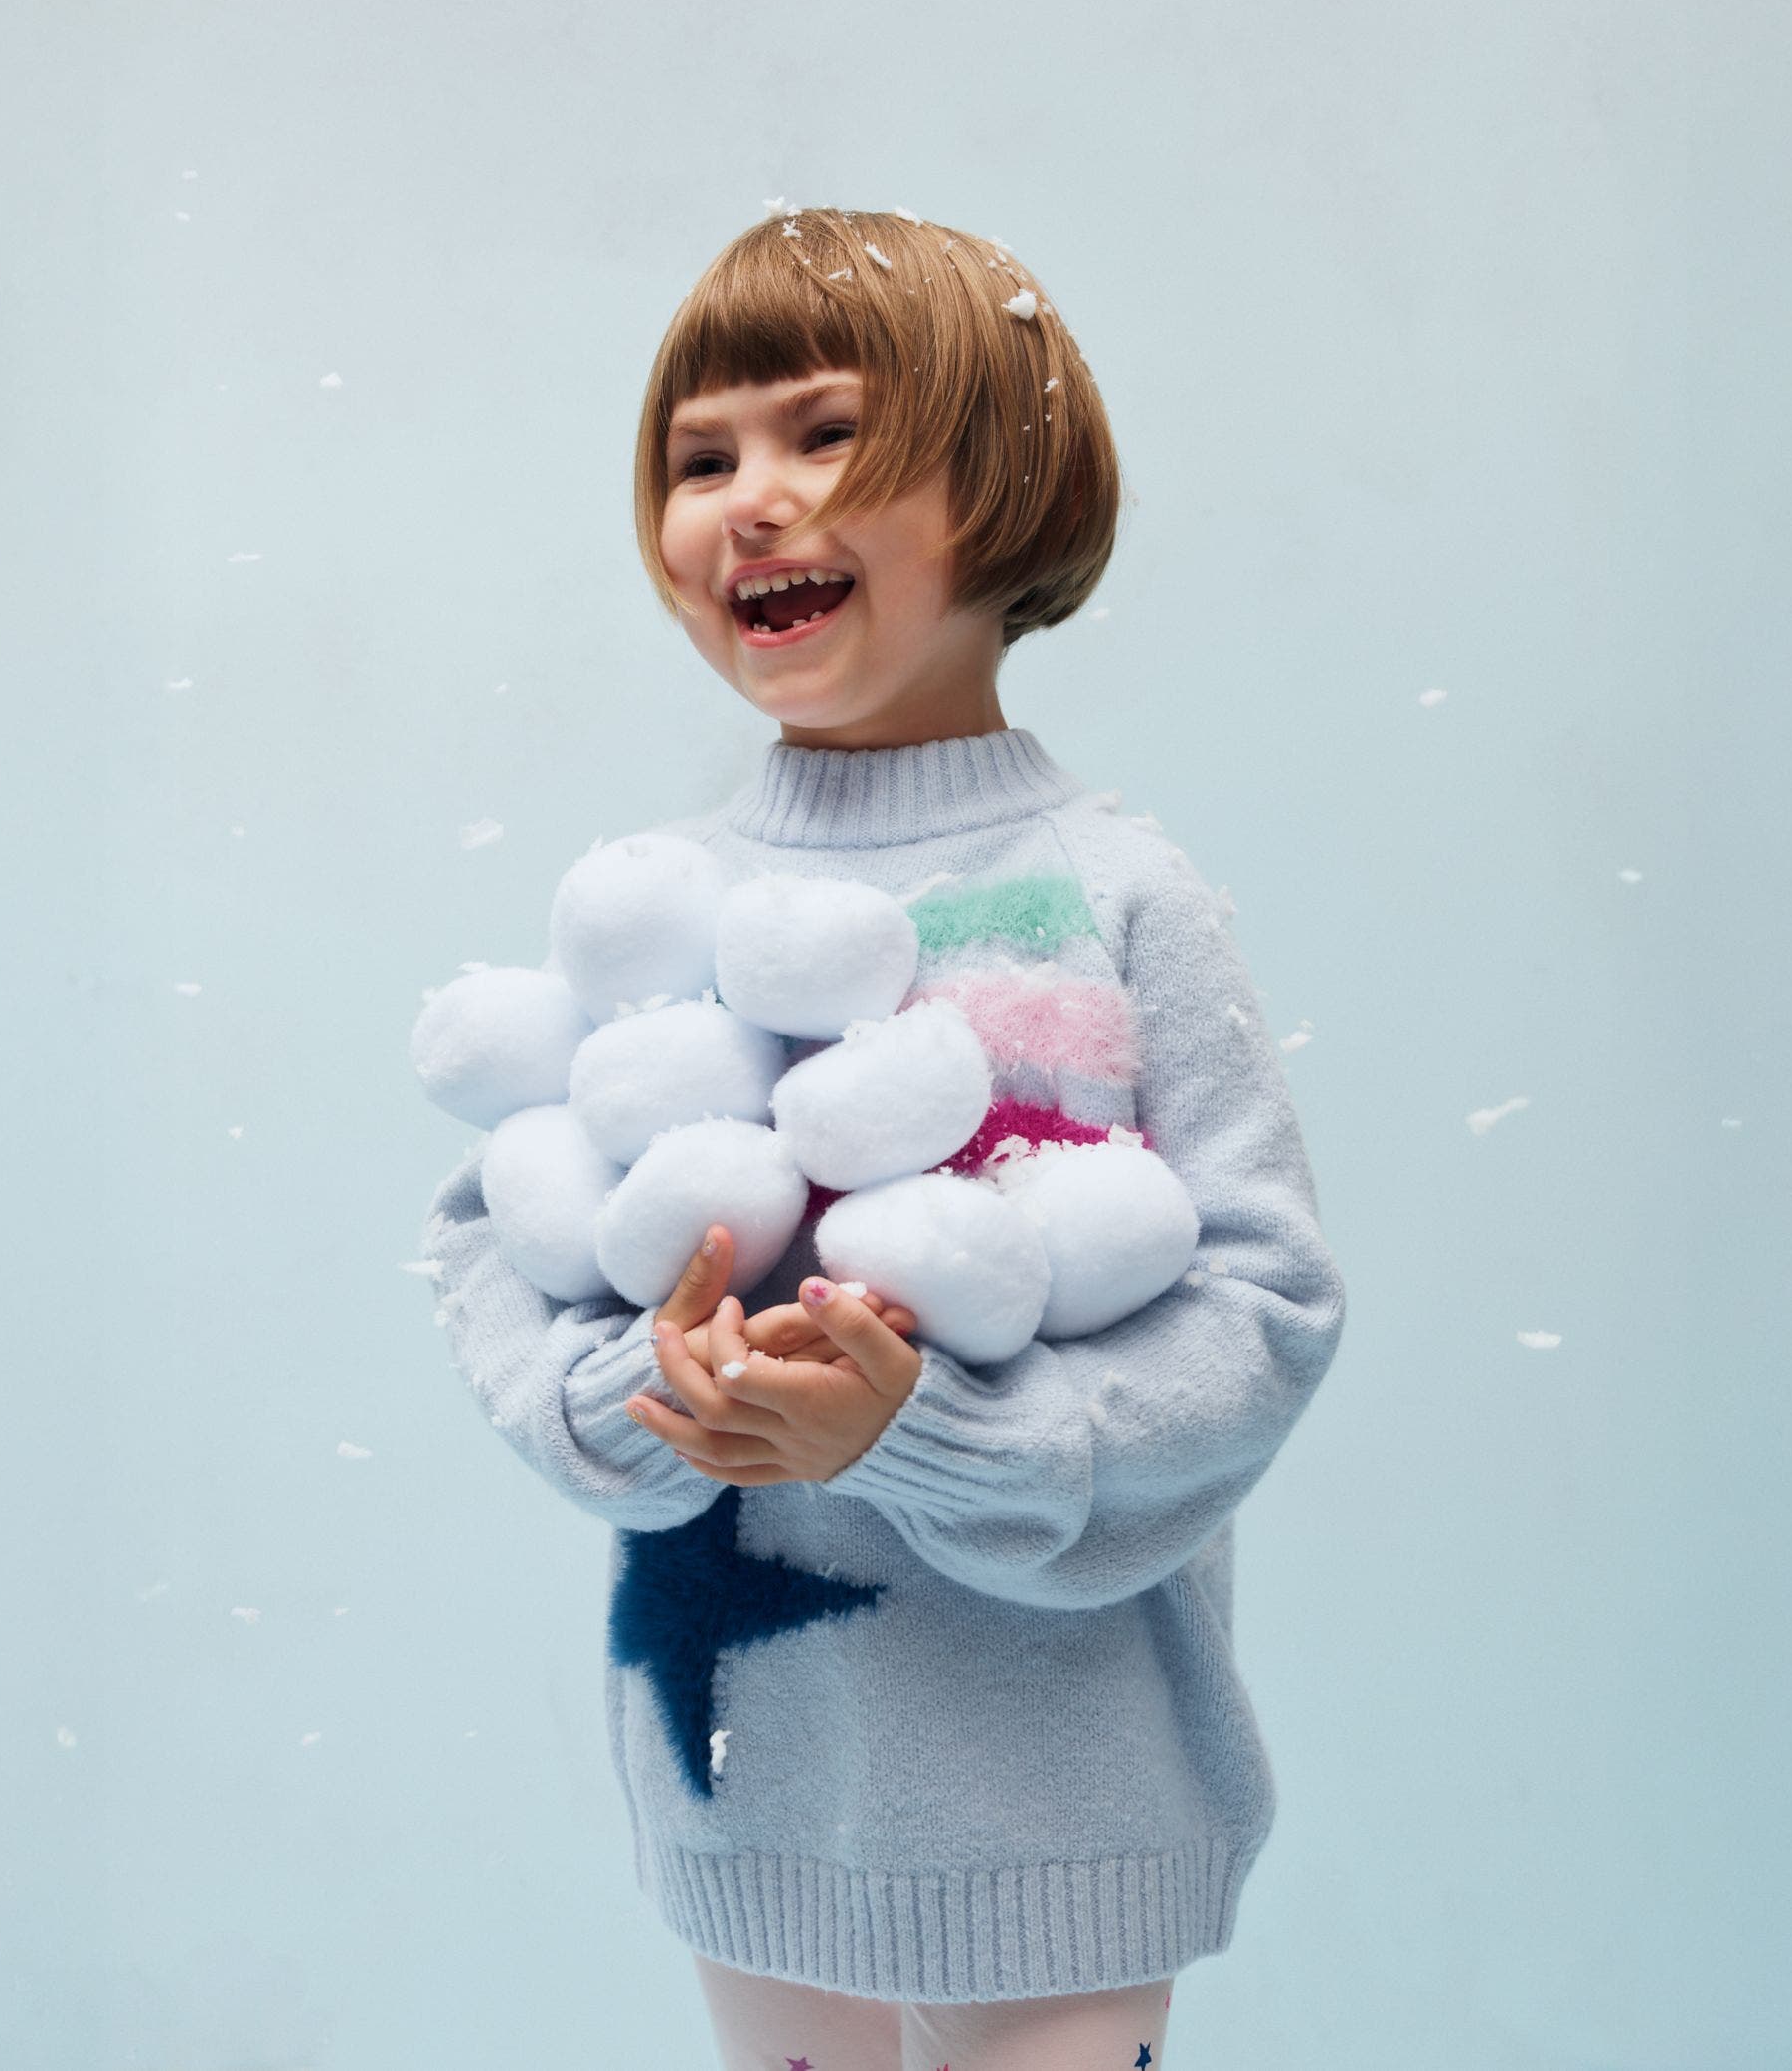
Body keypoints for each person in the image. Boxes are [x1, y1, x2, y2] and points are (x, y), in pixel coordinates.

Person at [419, 204, 1347, 2069]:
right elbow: (497, 1240)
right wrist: (645, 1391)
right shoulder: (654, 914)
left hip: (1064, 1800)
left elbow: (1263, 1309)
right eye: (701, 460)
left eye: (824, 434)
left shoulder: (1118, 893)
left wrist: (933, 1433)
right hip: (746, 1787)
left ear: (1003, 483)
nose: (749, 502)